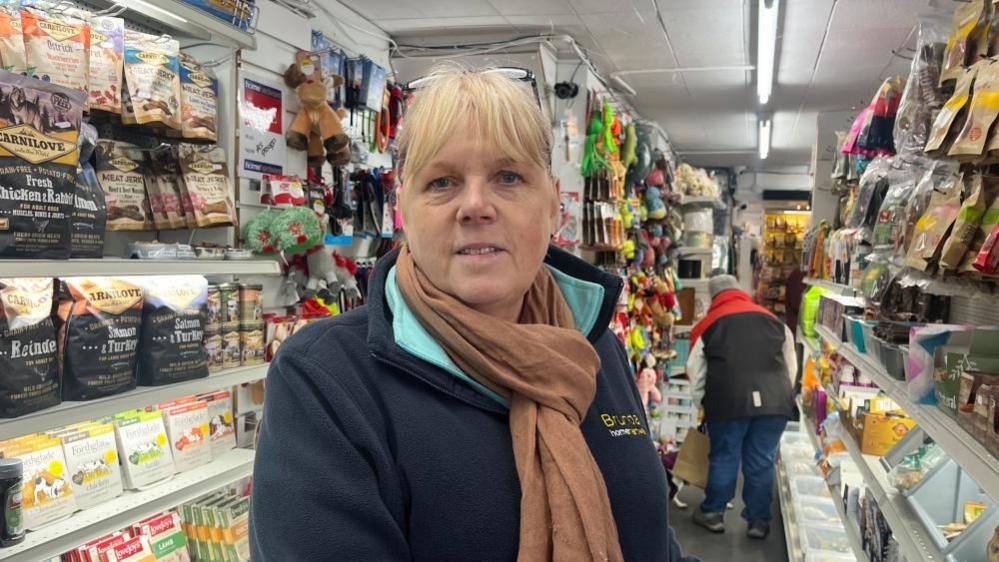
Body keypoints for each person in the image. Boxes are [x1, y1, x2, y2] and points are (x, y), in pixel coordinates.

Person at [250, 66, 696, 562]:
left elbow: (654, 543)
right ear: (404, 208)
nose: (476, 205)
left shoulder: (591, 348)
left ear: (552, 204)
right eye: (442, 182)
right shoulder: (327, 380)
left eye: (509, 177)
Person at [685, 272, 796, 539]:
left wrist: (702, 401)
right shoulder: (774, 321)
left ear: (713, 296)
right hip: (775, 402)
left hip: (727, 400)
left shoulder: (708, 324)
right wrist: (781, 395)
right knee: (761, 460)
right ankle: (758, 522)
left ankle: (713, 512)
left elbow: (695, 370)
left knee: (725, 455)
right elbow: (790, 365)